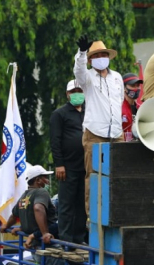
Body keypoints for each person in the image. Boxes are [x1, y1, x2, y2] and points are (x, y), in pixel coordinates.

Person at [73, 36, 125, 215]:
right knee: (94, 176)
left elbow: (119, 102)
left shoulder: (117, 77)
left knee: (119, 174)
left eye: (104, 54)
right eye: (96, 55)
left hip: (116, 132)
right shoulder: (87, 77)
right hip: (95, 132)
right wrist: (81, 53)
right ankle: (93, 215)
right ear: (90, 60)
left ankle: (118, 210)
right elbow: (78, 71)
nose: (101, 57)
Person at [50, 80, 86, 244]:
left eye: (80, 90)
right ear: (67, 94)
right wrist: (59, 164)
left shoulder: (88, 112)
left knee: (81, 203)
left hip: (85, 165)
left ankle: (79, 238)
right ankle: (66, 239)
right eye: (74, 91)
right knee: (66, 204)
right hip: (67, 167)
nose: (77, 94)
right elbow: (55, 140)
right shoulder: (60, 114)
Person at [1, 165, 59, 259]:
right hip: (48, 245)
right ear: (38, 180)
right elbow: (38, 208)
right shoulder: (41, 192)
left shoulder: (24, 196)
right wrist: (44, 233)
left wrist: (6, 226)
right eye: (45, 177)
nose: (47, 181)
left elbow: (14, 215)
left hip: (35, 247)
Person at [121, 73, 143, 142]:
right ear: (124, 88)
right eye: (133, 86)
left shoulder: (141, 108)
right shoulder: (118, 108)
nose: (136, 89)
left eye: (138, 86)